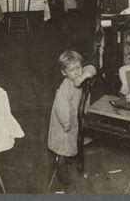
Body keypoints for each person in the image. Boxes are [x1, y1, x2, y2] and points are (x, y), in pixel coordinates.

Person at [47, 50, 96, 185]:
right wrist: (66, 122)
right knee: (62, 145)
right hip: (64, 122)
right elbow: (60, 107)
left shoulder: (80, 76)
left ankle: (67, 158)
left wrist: (84, 74)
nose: (77, 72)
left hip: (75, 118)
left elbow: (92, 68)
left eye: (79, 68)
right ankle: (59, 167)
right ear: (64, 72)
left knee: (71, 141)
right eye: (72, 70)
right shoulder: (65, 87)